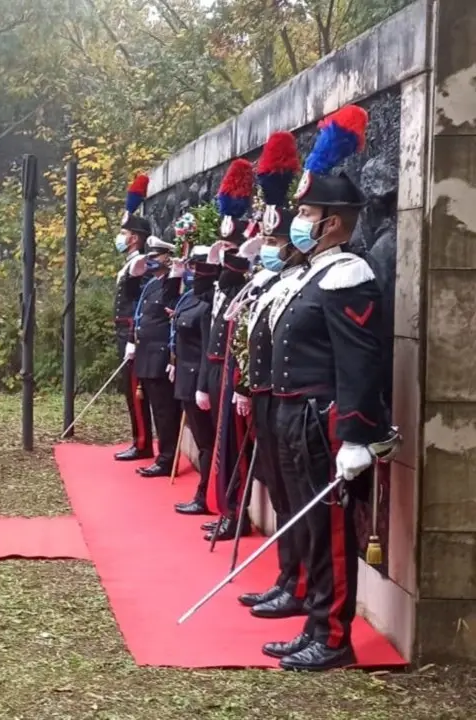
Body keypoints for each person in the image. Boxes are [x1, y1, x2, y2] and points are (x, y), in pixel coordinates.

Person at [264, 105, 397, 671]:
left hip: (324, 420)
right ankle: (316, 621)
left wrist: (356, 436)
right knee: (312, 527)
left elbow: (359, 363)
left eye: (308, 212)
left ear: (334, 221)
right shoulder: (314, 271)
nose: (300, 220)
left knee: (334, 533)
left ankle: (334, 635)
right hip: (295, 415)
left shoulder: (348, 273)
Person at [231, 131, 310, 620]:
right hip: (266, 394)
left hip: (292, 400)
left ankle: (298, 581)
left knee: (294, 493)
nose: (270, 247)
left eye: (277, 241)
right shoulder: (270, 282)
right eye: (270, 240)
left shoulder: (304, 280)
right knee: (280, 491)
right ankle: (288, 576)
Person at [198, 159, 255, 542]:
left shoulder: (243, 284)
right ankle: (225, 508)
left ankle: (236, 512)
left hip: (235, 373)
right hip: (218, 370)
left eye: (231, 252)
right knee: (222, 445)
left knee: (235, 448)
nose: (224, 260)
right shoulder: (222, 285)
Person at [130, 236, 183, 477]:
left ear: (167, 258)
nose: (151, 261)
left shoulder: (173, 284)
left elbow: (171, 314)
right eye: (149, 256)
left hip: (160, 355)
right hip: (145, 353)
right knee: (154, 408)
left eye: (156, 257)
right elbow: (141, 313)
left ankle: (167, 458)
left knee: (165, 412)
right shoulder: (152, 283)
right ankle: (162, 454)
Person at [172, 244, 217, 515]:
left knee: (206, 444)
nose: (192, 271)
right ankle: (205, 494)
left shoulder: (208, 302)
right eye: (191, 266)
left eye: (196, 266)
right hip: (184, 378)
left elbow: (206, 349)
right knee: (203, 443)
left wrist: (202, 386)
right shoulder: (190, 297)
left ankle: (205, 496)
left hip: (196, 381)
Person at [113, 174, 154, 462]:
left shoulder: (139, 263)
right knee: (130, 391)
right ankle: (137, 438)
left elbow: (140, 303)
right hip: (122, 331)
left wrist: (133, 336)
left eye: (125, 233)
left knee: (136, 391)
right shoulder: (130, 261)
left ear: (135, 238)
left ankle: (142, 443)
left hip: (131, 332)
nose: (121, 237)